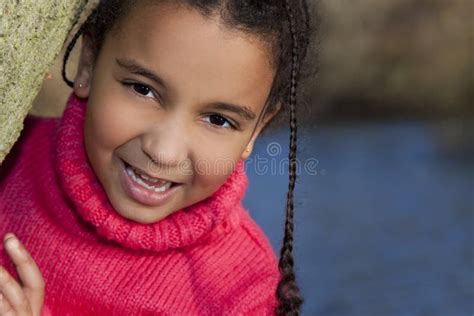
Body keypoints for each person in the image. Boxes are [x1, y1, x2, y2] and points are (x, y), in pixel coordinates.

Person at [0, 0, 312, 315]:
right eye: (143, 89)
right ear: (89, 61)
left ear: (257, 130)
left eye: (218, 120)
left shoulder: (245, 298)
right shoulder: (8, 157)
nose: (164, 151)